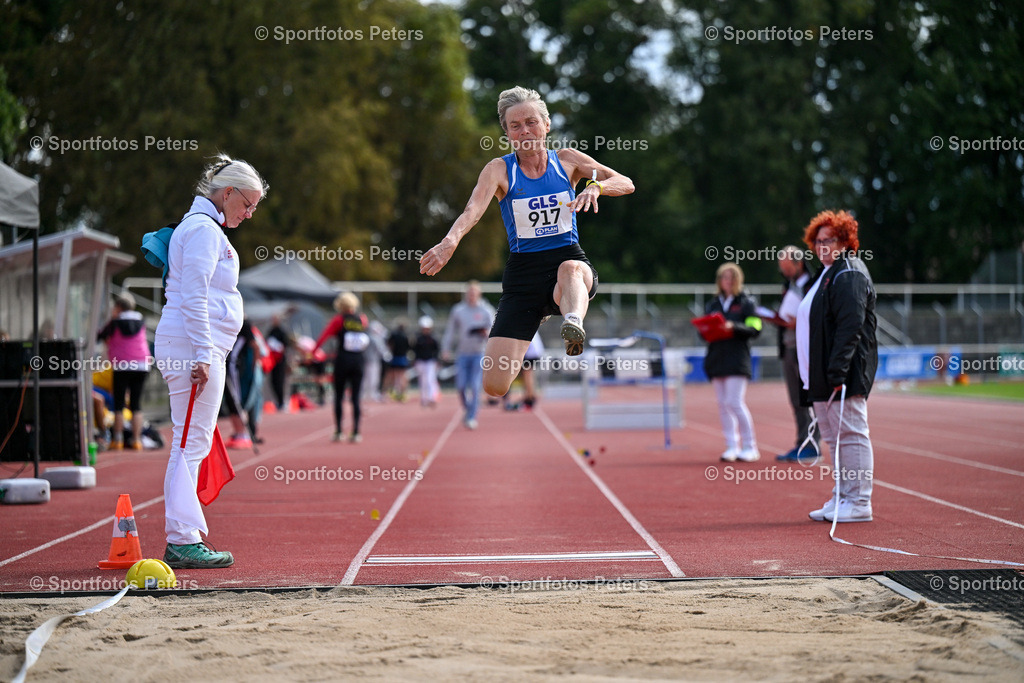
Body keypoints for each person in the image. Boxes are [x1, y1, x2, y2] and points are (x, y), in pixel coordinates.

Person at [420, 85, 634, 400]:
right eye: (516, 125)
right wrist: (449, 241)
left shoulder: (568, 160)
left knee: (572, 269)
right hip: (523, 277)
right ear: (507, 133)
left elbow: (625, 182)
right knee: (494, 386)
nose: (526, 131)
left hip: (566, 262)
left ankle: (572, 321)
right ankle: (540, 311)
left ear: (546, 125)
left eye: (532, 122)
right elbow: (472, 211)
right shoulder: (498, 169)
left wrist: (596, 188)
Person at [154, 154, 266, 568]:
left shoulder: (203, 228)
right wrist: (203, 353)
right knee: (188, 445)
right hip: (192, 349)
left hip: (196, 347)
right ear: (227, 192)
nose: (250, 213)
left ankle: (183, 536)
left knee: (192, 444)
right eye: (247, 203)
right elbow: (195, 296)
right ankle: (181, 540)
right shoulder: (202, 230)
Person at [798, 210, 878, 523]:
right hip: (821, 373)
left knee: (852, 433)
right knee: (833, 438)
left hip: (844, 372)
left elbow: (851, 325)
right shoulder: (827, 273)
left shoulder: (850, 272)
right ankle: (842, 495)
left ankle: (859, 501)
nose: (822, 245)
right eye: (817, 241)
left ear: (845, 241)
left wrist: (837, 371)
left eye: (829, 239)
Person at [702, 262, 762, 463]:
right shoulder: (713, 304)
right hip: (717, 357)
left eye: (731, 277)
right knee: (722, 405)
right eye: (723, 277)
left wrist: (733, 327)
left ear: (737, 280)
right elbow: (705, 331)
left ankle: (750, 446)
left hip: (737, 359)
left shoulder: (747, 302)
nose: (727, 281)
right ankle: (731, 446)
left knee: (734, 403)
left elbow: (755, 329)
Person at [773, 246, 819, 461]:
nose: (785, 273)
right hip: (788, 347)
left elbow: (820, 316)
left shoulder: (816, 283)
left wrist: (799, 322)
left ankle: (812, 443)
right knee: (795, 399)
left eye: (788, 268)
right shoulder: (787, 286)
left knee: (809, 398)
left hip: (806, 349)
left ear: (799, 263)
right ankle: (802, 442)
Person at [96, 292, 151, 450]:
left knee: (119, 403)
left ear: (119, 307)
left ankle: (118, 440)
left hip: (122, 365)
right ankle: (136, 440)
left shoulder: (114, 323)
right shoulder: (141, 320)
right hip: (142, 364)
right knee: (136, 404)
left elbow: (100, 336)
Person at [312, 292, 369, 443]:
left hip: (343, 361)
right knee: (356, 398)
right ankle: (356, 432)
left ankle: (338, 431)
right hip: (358, 361)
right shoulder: (362, 319)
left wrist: (313, 352)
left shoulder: (338, 320)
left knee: (339, 396)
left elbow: (324, 336)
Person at [441, 281, 495, 429]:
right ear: (466, 294)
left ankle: (472, 416)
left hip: (479, 352)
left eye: (474, 292)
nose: (471, 295)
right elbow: (450, 331)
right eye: (469, 292)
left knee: (475, 385)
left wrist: (485, 333)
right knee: (461, 386)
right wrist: (445, 348)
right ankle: (468, 407)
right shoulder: (458, 310)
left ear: (479, 294)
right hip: (463, 353)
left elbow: (494, 330)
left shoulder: (486, 310)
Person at [222, 319, 265, 449]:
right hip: (228, 366)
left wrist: (255, 366)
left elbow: (255, 345)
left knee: (237, 399)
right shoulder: (225, 321)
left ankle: (242, 434)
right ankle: (237, 432)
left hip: (237, 368)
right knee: (230, 400)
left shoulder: (244, 324)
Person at [265, 313, 294, 410]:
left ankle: (282, 402)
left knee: (280, 381)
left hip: (280, 361)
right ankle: (277, 401)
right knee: (273, 381)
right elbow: (266, 342)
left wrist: (279, 348)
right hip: (272, 360)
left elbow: (286, 344)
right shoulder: (271, 331)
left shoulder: (282, 331)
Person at [413, 316, 440, 407]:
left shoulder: (433, 339)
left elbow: (436, 350)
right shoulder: (418, 339)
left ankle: (432, 397)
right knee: (422, 380)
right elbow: (415, 351)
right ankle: (424, 398)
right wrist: (415, 361)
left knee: (430, 379)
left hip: (430, 362)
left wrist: (436, 361)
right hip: (421, 361)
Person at [385, 322, 411, 401]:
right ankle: (402, 392)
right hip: (402, 357)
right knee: (402, 375)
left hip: (395, 356)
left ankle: (393, 390)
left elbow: (388, 344)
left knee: (392, 375)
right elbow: (409, 347)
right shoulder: (405, 336)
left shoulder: (394, 335)